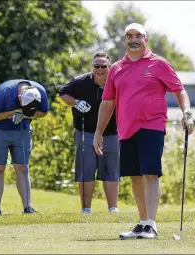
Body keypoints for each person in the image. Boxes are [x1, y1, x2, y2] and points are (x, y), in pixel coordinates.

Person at [93, 23, 194, 239]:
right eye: (129, 36)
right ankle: (143, 222)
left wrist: (186, 112)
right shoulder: (117, 69)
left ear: (145, 39)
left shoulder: (159, 64)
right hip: (126, 129)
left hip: (152, 124)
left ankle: (151, 225)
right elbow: (108, 102)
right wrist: (98, 132)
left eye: (138, 35)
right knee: (135, 177)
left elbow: (179, 90)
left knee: (150, 173)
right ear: (124, 41)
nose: (134, 39)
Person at [58, 52, 120, 214]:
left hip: (112, 133)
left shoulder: (116, 81)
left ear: (109, 67)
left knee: (111, 169)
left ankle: (113, 208)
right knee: (86, 168)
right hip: (85, 132)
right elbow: (63, 93)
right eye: (96, 66)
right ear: (92, 67)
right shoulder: (81, 82)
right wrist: (76, 102)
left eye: (103, 66)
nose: (100, 69)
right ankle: (86, 209)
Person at [0, 79, 49, 215]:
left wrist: (24, 114)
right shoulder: (3, 92)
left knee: (22, 167)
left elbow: (43, 112)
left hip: (22, 130)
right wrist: (13, 112)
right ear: (19, 97)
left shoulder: (40, 92)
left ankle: (28, 207)